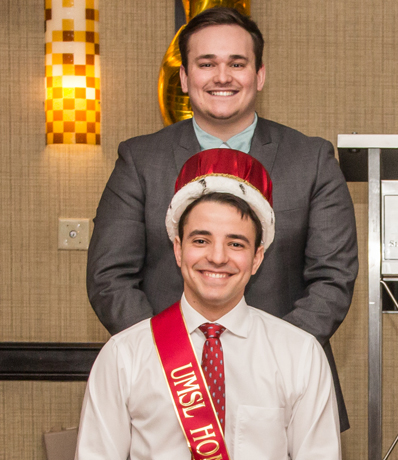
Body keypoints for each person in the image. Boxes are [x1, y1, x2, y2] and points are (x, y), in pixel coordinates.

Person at [86, 7, 357, 430]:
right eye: (206, 63)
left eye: (237, 63)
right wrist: (169, 357)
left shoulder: (312, 160)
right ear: (184, 78)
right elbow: (110, 277)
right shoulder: (140, 160)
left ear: (259, 75)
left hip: (283, 393)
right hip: (165, 390)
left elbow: (333, 278)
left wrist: (269, 358)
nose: (222, 76)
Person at [76, 149, 342, 459]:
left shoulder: (300, 355)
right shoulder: (124, 356)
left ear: (257, 258)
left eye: (236, 243)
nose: (217, 257)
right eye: (201, 240)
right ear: (178, 249)